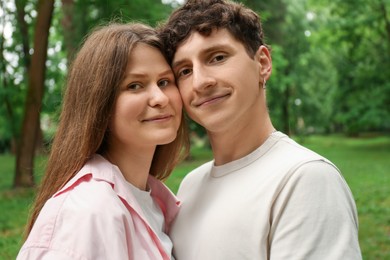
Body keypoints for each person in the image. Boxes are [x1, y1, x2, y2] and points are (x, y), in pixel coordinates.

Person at [158, 0, 362, 259]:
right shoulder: (189, 187)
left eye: (217, 57)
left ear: (263, 63)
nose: (200, 82)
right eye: (185, 71)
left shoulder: (304, 179)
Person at [17, 22, 189, 260]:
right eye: (134, 86)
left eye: (164, 82)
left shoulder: (151, 202)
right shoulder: (88, 211)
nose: (159, 98)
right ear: (100, 104)